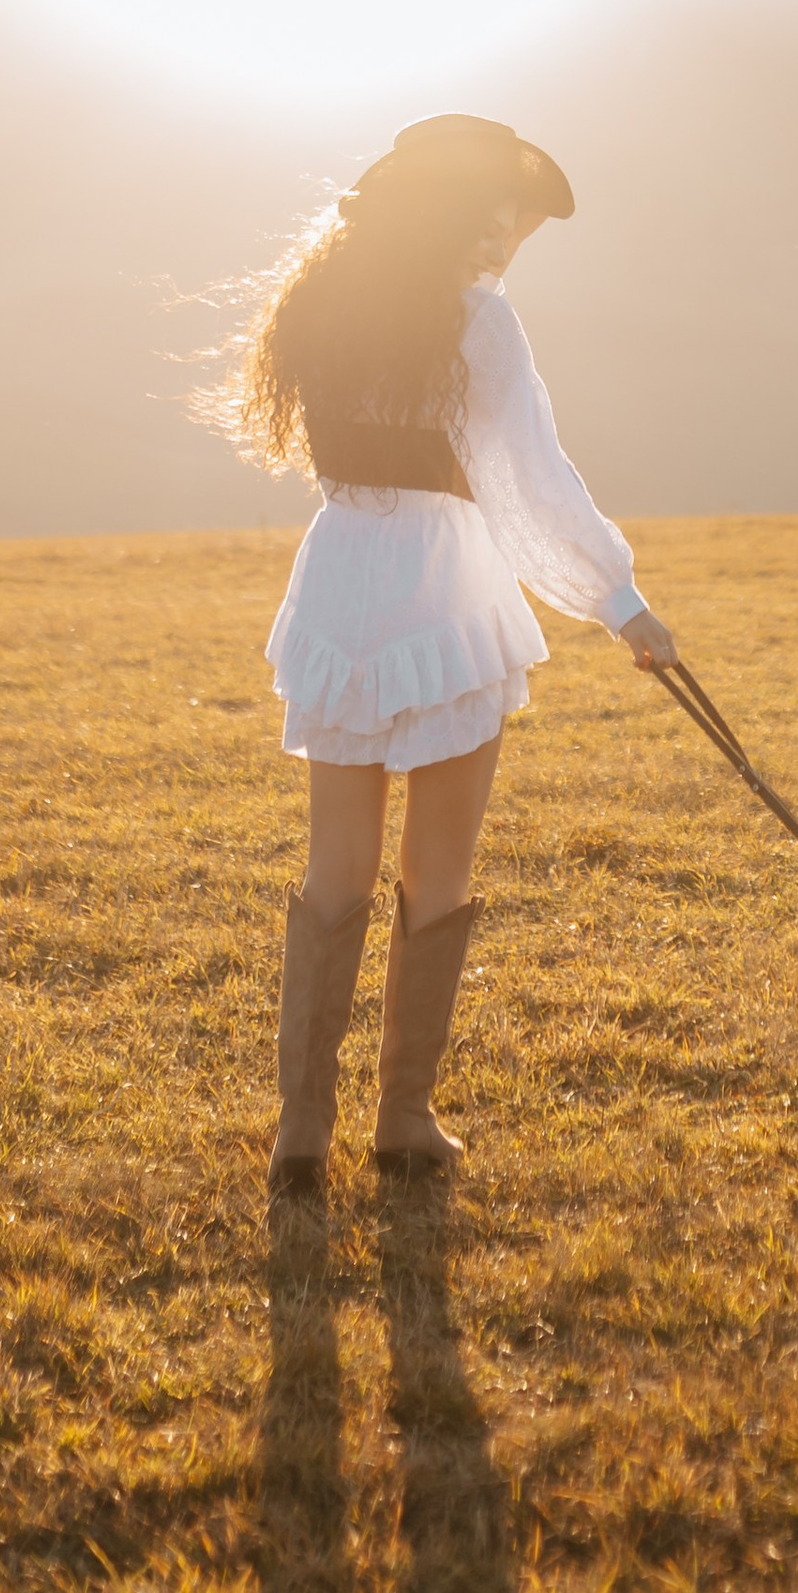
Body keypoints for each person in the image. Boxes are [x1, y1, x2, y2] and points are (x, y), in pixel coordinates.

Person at [224, 111, 676, 1198]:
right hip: (445, 590)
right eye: (498, 221)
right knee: (439, 870)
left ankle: (301, 1130)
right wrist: (618, 601)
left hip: (338, 576)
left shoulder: (322, 305)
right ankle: (403, 1116)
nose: (505, 244)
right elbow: (530, 479)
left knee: (336, 867)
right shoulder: (478, 324)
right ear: (458, 216)